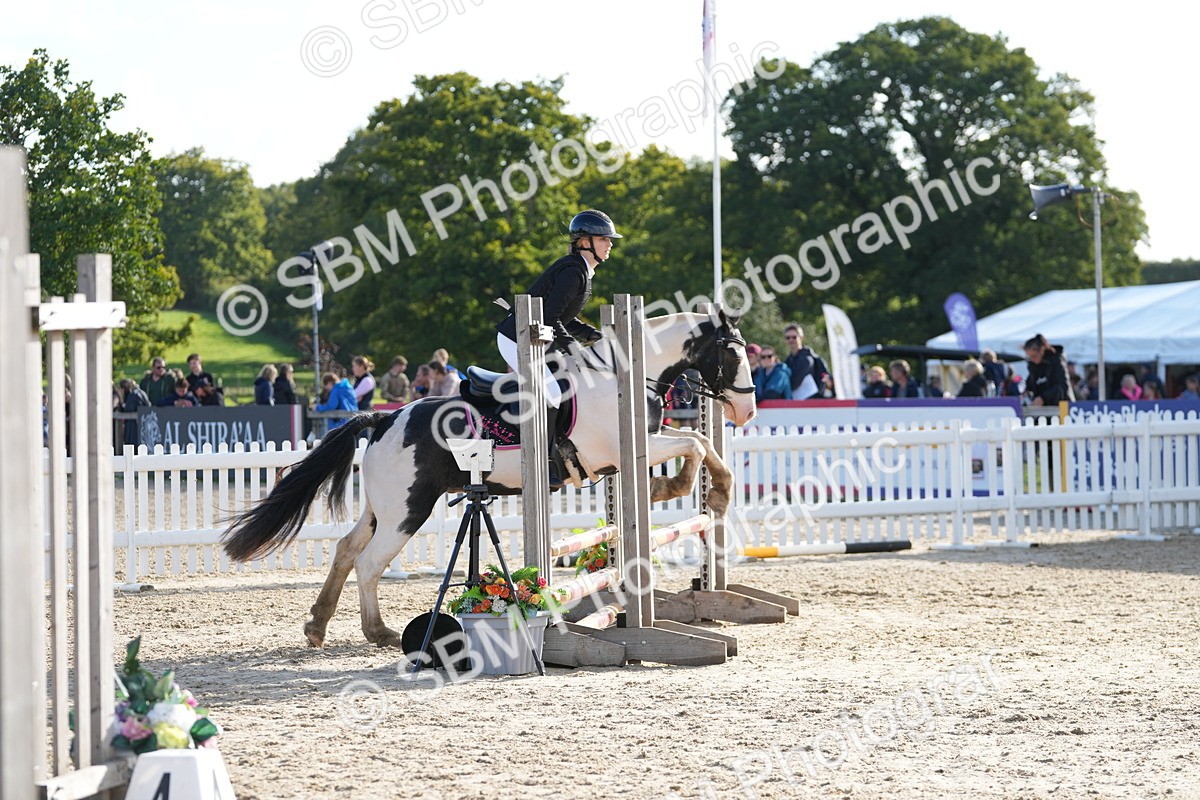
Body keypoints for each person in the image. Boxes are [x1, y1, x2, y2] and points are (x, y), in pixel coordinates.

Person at [495, 209, 620, 488]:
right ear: (584, 241)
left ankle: (565, 449)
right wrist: (575, 348)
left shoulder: (581, 272)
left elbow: (563, 317)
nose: (610, 244)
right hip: (517, 339)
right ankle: (546, 461)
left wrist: (594, 335)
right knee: (552, 393)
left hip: (537, 337)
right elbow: (551, 318)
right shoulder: (573, 272)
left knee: (571, 385)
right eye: (604, 239)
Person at [1023, 334, 1074, 407]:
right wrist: (1026, 392)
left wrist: (1044, 398)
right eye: (1029, 357)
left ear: (1042, 350)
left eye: (1034, 356)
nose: (1032, 359)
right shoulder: (1033, 367)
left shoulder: (1056, 361)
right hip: (1043, 411)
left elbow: (1062, 386)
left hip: (1062, 408)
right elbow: (1031, 385)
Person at [782, 324, 829, 400]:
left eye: (794, 337)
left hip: (811, 402)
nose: (791, 340)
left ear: (801, 338)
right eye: (788, 338)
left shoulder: (806, 359)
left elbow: (794, 383)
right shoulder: (789, 360)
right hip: (798, 402)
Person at [119, 378, 151, 446]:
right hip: (142, 422)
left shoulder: (133, 395)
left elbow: (128, 408)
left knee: (132, 444)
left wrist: (122, 403)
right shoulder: (142, 392)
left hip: (133, 424)